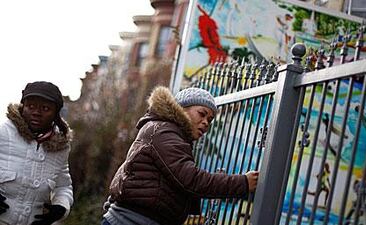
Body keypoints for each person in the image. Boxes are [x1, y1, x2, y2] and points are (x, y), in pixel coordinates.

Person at [102, 86, 259, 225]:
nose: (206, 122)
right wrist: (243, 182)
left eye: (210, 120)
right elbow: (191, 180)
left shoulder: (166, 132)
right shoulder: (164, 131)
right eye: (202, 114)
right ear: (181, 109)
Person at [0, 81, 74, 225]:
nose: (36, 113)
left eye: (45, 108)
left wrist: (60, 208)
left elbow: (63, 186)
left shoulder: (60, 147)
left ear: (56, 114)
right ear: (23, 107)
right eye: (31, 106)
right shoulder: (4, 133)